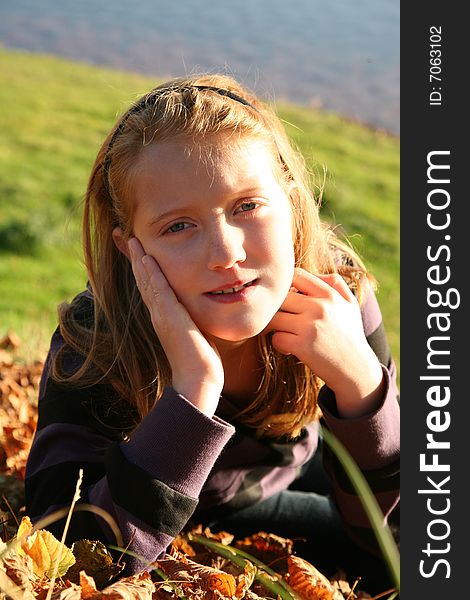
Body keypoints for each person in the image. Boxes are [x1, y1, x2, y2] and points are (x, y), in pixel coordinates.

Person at [25, 74, 399, 591]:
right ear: (131, 248)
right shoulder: (97, 342)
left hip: (302, 467)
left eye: (247, 206)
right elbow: (65, 553)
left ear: (290, 203)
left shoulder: (339, 298)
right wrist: (193, 391)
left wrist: (362, 387)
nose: (226, 254)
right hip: (197, 502)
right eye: (178, 226)